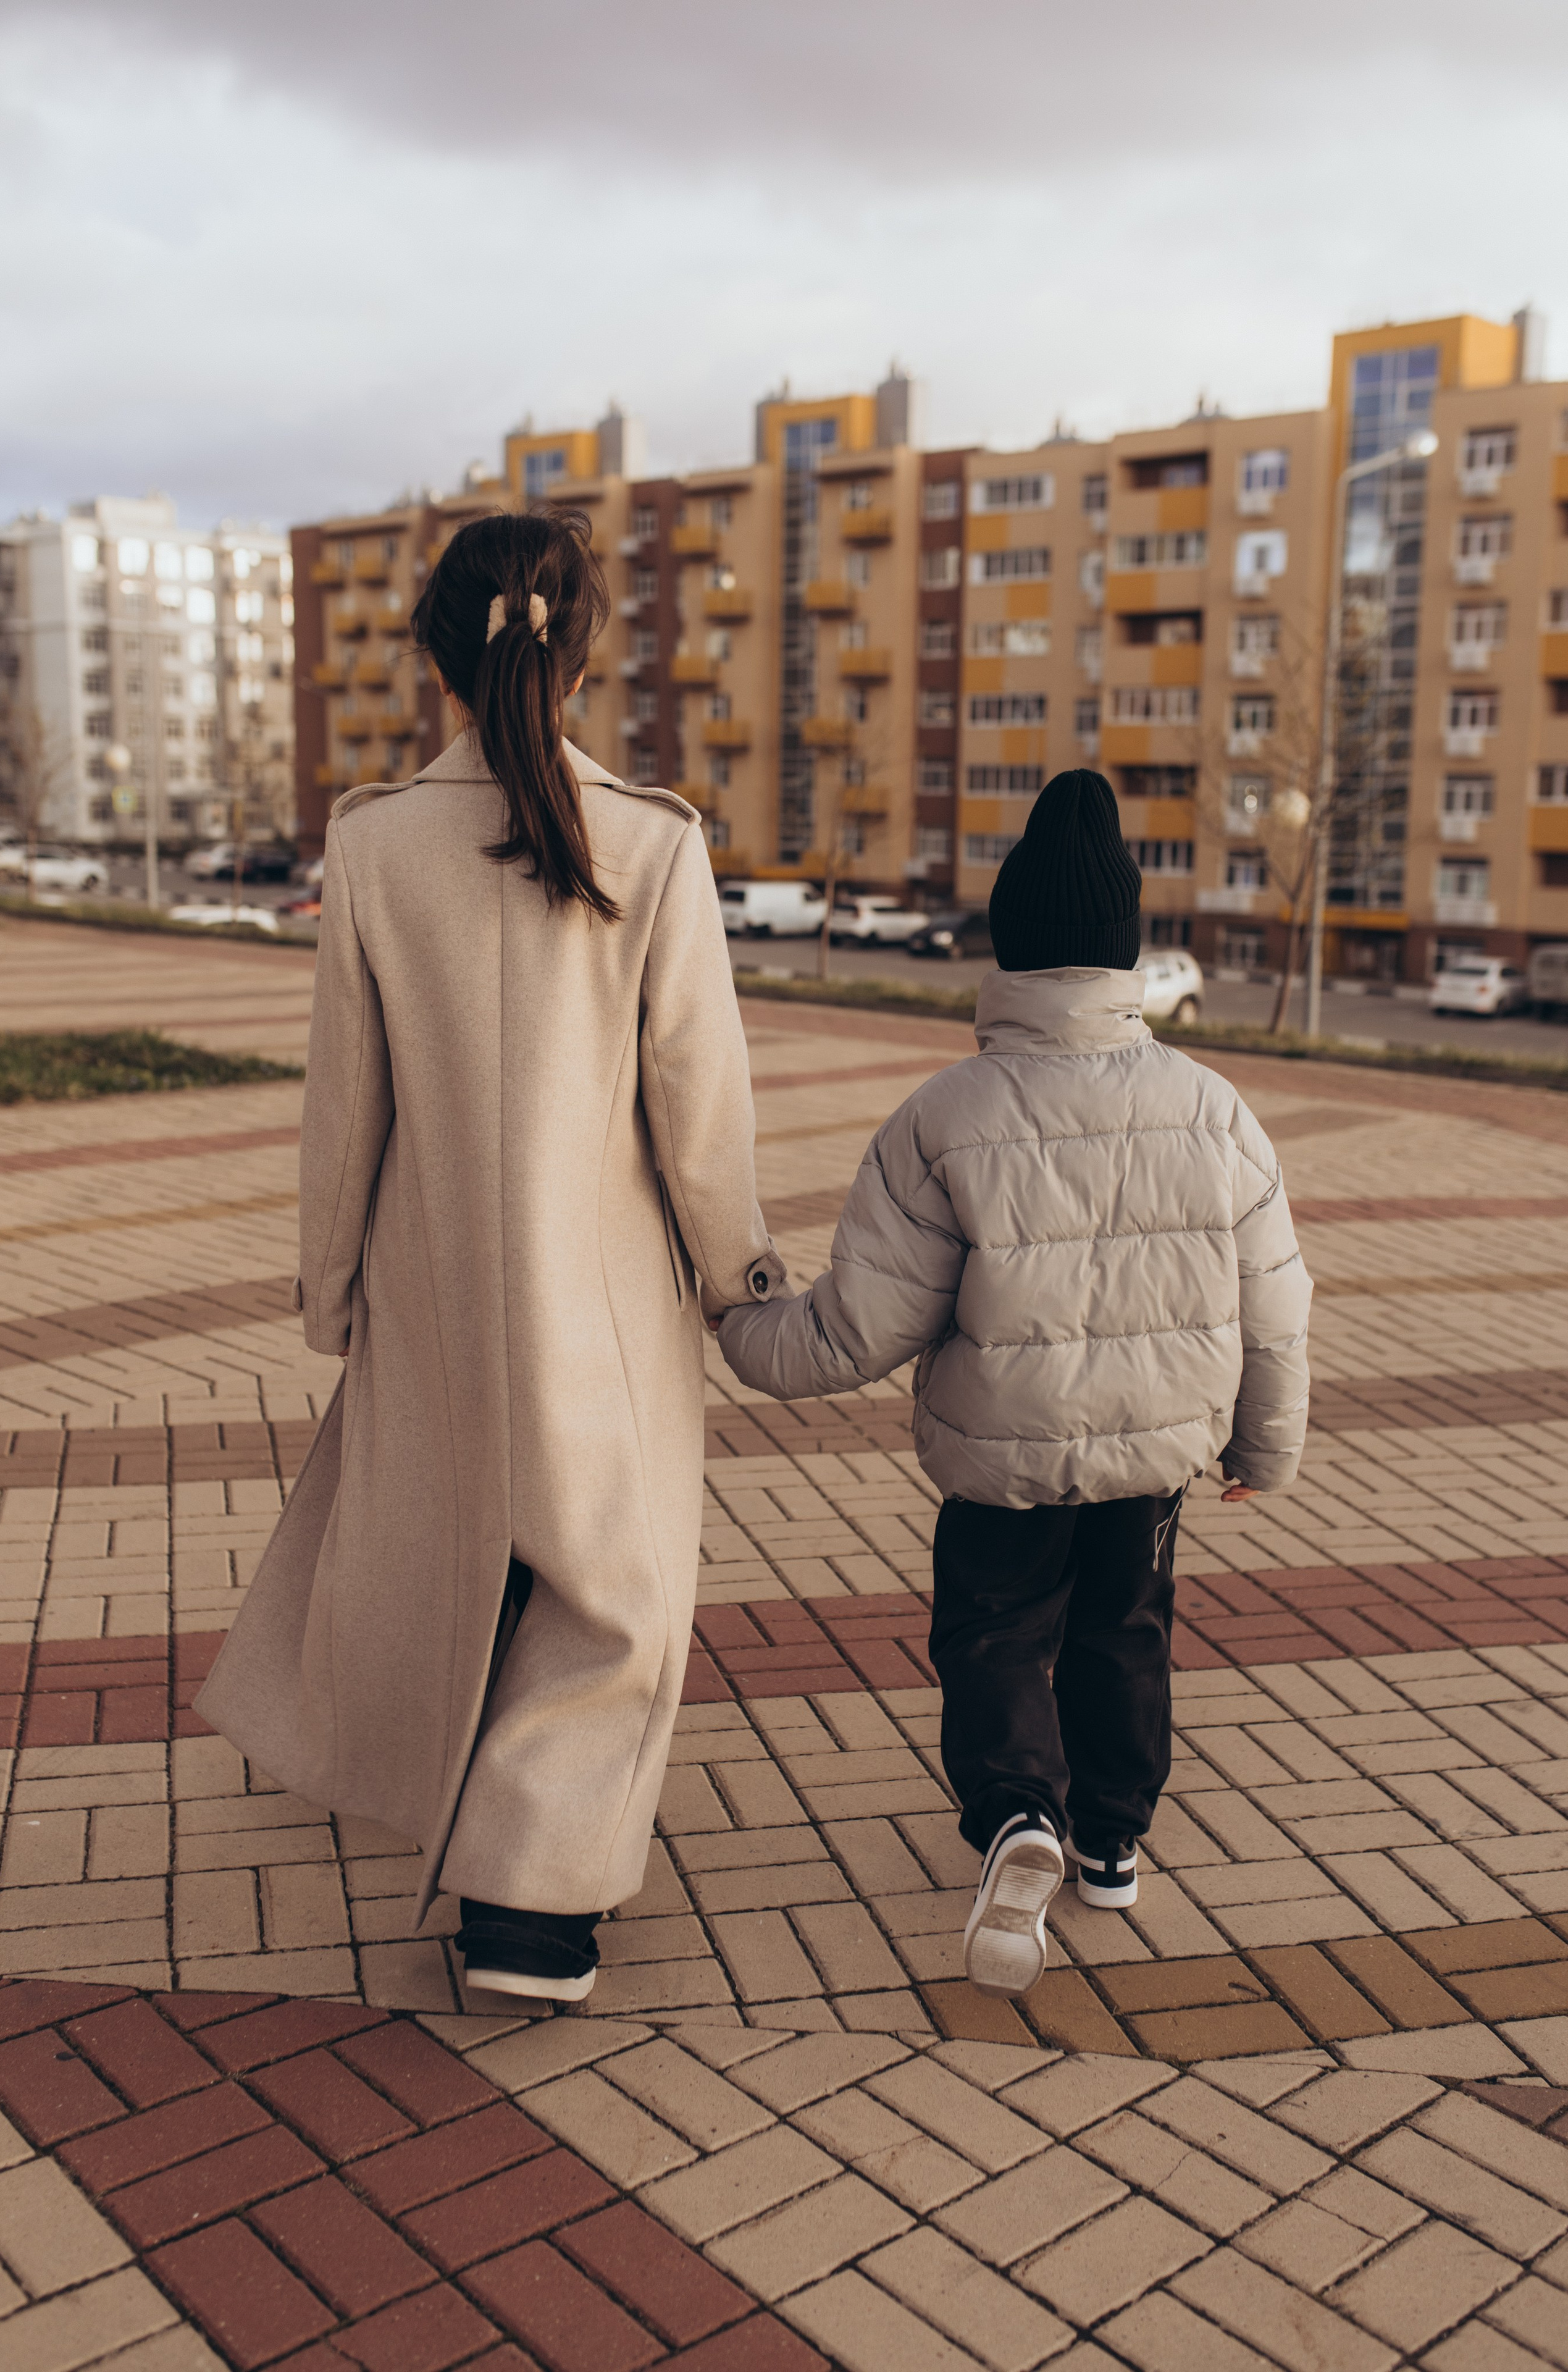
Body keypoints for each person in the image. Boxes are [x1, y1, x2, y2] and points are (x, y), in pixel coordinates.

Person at [197, 507, 781, 2003]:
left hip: (434, 1279)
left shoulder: (373, 841)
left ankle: (476, 1831)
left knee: (461, 1551)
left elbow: (347, 1109)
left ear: (436, 659)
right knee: (606, 1579)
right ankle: (530, 1911)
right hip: (602, 1297)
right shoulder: (650, 844)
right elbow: (696, 1107)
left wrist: (332, 1290)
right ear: (580, 655)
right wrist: (741, 1279)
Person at [716, 772, 1310, 1998]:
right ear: (1124, 956)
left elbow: (854, 1329)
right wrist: (1265, 1446)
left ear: (1007, 950)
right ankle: (1107, 1842)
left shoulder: (944, 1118)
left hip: (998, 1460)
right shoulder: (1214, 1113)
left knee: (992, 1637)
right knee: (1124, 1635)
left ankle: (1013, 1817)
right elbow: (1275, 1305)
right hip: (1152, 1463)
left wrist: (736, 1322)